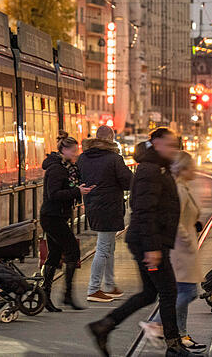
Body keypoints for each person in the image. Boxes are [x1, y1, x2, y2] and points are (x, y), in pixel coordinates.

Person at [88, 128, 191, 357]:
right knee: (168, 291)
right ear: (156, 144)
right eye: (169, 144)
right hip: (148, 242)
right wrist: (152, 247)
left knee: (149, 293)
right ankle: (173, 345)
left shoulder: (158, 168)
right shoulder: (150, 170)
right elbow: (144, 210)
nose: (174, 149)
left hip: (149, 240)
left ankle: (103, 326)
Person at [140, 152, 206, 351]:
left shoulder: (183, 187)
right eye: (191, 167)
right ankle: (154, 323)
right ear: (183, 169)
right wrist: (186, 239)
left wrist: (195, 224)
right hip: (180, 249)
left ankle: (182, 335)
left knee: (182, 291)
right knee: (188, 292)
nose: (195, 171)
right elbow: (174, 220)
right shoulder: (178, 189)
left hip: (184, 249)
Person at [40, 131, 93, 312]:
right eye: (73, 151)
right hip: (52, 217)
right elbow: (53, 194)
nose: (76, 154)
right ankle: (65, 295)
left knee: (54, 255)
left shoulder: (65, 167)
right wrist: (77, 192)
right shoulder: (56, 169)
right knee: (72, 250)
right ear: (64, 150)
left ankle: (46, 295)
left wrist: (79, 190)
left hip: (56, 216)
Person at [78, 126, 132, 303]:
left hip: (93, 205)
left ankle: (109, 284)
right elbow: (127, 181)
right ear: (111, 138)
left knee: (109, 246)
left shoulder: (83, 157)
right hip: (109, 207)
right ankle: (94, 289)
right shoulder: (114, 158)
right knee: (103, 247)